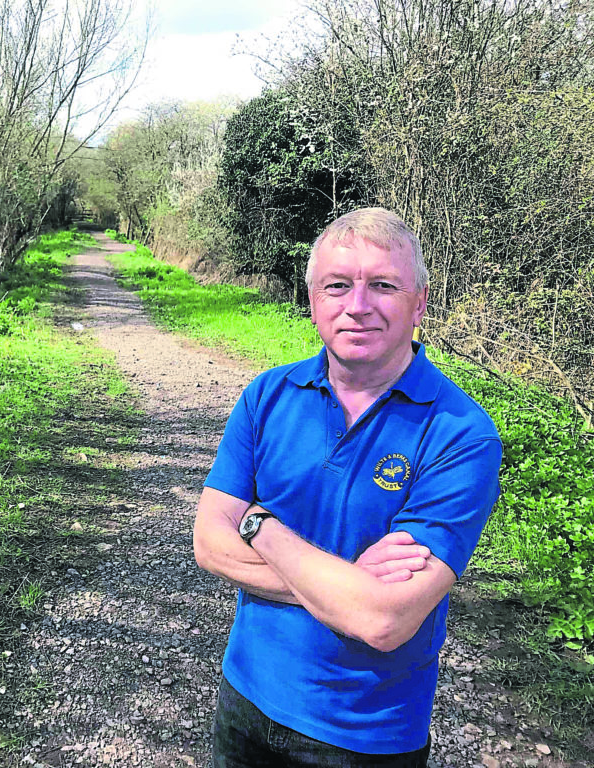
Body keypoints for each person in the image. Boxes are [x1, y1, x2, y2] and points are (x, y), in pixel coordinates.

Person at [193, 207, 502, 767]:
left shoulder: (462, 435)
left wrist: (258, 524)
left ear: (420, 302)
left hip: (366, 737)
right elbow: (208, 544)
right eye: (338, 286)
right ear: (313, 301)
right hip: (243, 697)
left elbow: (384, 621)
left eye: (383, 285)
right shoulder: (267, 395)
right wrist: (349, 591)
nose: (357, 306)